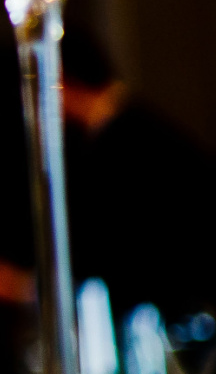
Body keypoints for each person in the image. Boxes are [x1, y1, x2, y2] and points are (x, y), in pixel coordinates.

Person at [62, 26, 216, 322]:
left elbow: (126, 249)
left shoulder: (128, 139)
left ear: (65, 80)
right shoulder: (132, 126)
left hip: (174, 312)